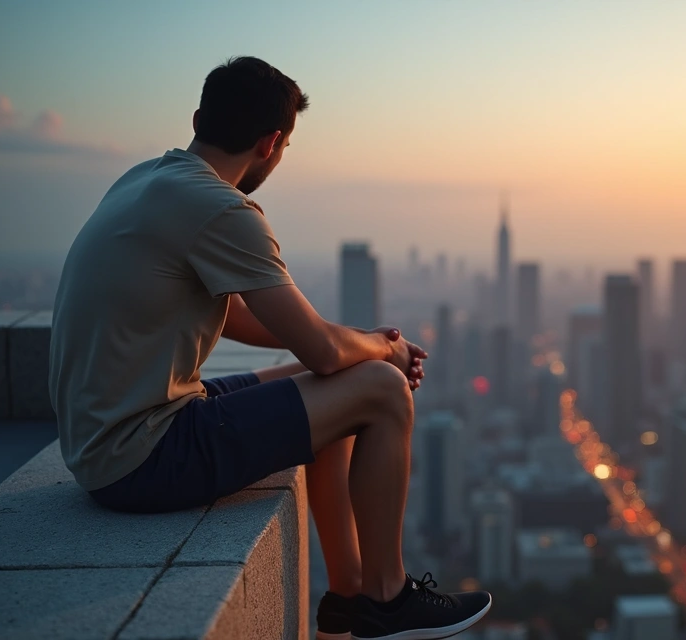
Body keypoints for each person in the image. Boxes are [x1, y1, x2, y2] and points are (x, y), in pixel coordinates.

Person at [49, 56, 490, 640]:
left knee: (338, 383)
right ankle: (388, 599)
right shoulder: (223, 209)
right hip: (144, 457)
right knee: (380, 390)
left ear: (199, 117)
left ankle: (348, 594)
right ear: (272, 142)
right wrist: (380, 352)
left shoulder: (145, 181)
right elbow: (327, 354)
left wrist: (359, 347)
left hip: (101, 444)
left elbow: (233, 314)